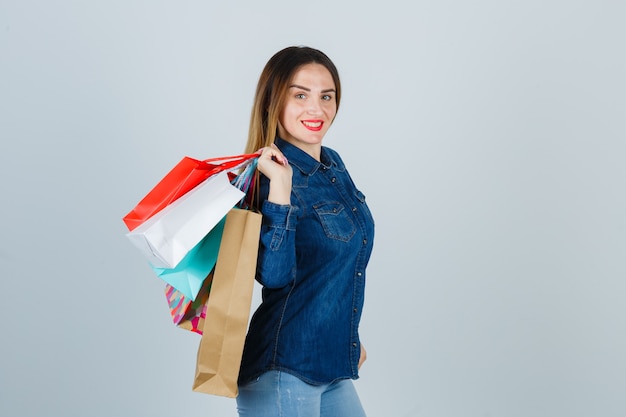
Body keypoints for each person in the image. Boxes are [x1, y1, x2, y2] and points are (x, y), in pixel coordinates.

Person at [237, 46, 375, 417]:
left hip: (331, 364)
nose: (317, 109)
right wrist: (281, 190)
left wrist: (347, 337)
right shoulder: (268, 176)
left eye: (326, 96)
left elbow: (339, 263)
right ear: (273, 102)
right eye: (300, 95)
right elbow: (275, 277)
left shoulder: (332, 165)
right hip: (285, 366)